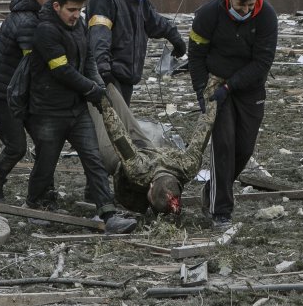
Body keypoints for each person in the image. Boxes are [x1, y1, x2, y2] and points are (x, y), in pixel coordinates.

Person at [24, 0, 136, 234]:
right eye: (71, 10)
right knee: (46, 162)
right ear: (56, 6)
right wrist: (90, 89)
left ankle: (108, 214)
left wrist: (99, 87)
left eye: (79, 10)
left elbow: (87, 62)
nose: (76, 15)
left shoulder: (79, 26)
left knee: (93, 158)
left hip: (76, 109)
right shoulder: (45, 31)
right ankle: (33, 204)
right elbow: (61, 70)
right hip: (48, 111)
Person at [188, 0, 278, 229]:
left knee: (244, 149)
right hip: (217, 86)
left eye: (251, 5)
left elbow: (262, 63)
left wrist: (231, 86)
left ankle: (212, 189)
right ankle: (220, 212)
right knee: (223, 146)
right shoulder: (207, 15)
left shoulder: (266, 17)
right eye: (242, 5)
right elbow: (196, 55)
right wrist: (201, 91)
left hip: (249, 89)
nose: (247, 10)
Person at [0, 0, 59, 203]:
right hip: (4, 92)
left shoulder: (39, 15)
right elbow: (35, 64)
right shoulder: (26, 21)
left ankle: (44, 191)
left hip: (23, 91)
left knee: (47, 143)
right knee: (16, 146)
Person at [87, 81, 219, 215]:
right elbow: (117, 134)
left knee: (97, 106)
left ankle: (89, 84)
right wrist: (212, 95)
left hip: (120, 161)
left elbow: (117, 135)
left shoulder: (184, 167)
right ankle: (102, 82)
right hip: (143, 152)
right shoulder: (181, 167)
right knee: (109, 92)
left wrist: (102, 102)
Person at [87, 0, 186, 106]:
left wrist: (175, 37)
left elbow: (154, 22)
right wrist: (103, 67)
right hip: (110, 74)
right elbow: (100, 33)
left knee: (122, 123)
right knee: (113, 125)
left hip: (127, 74)